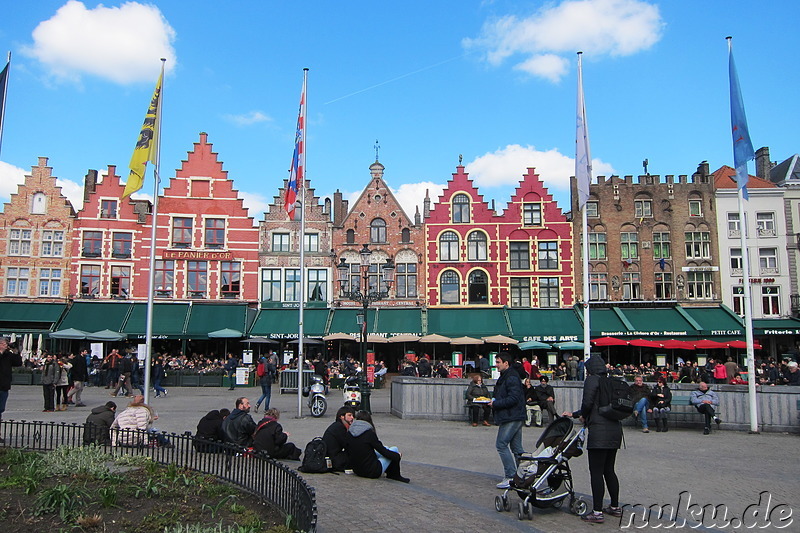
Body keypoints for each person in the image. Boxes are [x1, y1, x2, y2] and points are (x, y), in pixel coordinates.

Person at [564, 355, 623, 524]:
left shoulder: (592, 380)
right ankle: (615, 506)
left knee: (596, 471)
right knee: (609, 470)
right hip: (615, 430)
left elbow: (588, 403)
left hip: (599, 431)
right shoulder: (610, 380)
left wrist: (581, 414)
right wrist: (578, 413)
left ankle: (597, 511)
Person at [490, 352, 526, 489]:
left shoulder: (510, 377)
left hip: (512, 415)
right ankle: (523, 475)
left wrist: (495, 403)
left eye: (498, 362)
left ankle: (511, 476)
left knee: (501, 444)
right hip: (515, 415)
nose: (496, 365)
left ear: (506, 363)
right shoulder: (508, 376)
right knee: (517, 448)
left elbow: (514, 398)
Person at [346, 410, 409, 482]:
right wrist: (397, 456)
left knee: (387, 449)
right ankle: (395, 475)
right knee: (394, 449)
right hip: (372, 471)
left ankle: (391, 472)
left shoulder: (350, 433)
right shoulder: (369, 434)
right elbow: (382, 451)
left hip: (357, 470)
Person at [0, 337, 23, 442]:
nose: (6, 345)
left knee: (0, 409)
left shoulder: (8, 355)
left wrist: (16, 350)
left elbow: (18, 362)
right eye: (5, 343)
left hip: (4, 386)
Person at [322, 406, 355, 472]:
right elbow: (347, 445)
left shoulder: (337, 425)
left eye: (353, 416)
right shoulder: (340, 428)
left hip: (330, 457)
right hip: (334, 460)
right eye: (349, 415)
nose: (352, 418)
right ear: (342, 417)